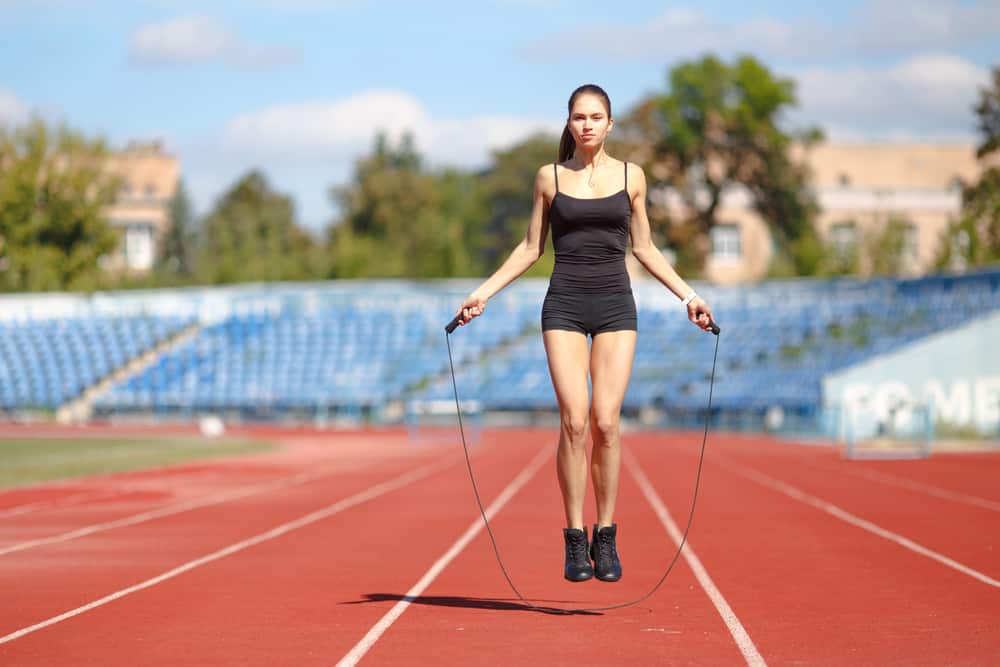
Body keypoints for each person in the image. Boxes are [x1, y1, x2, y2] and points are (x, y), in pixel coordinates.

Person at [453, 84, 715, 583]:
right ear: (569, 123)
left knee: (607, 423)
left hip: (616, 304)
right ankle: (575, 539)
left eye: (596, 117)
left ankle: (607, 533)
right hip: (564, 306)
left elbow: (646, 248)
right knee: (574, 421)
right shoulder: (549, 178)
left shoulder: (631, 177)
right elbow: (531, 247)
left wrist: (689, 297)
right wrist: (482, 293)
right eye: (579, 117)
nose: (587, 124)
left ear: (610, 124)